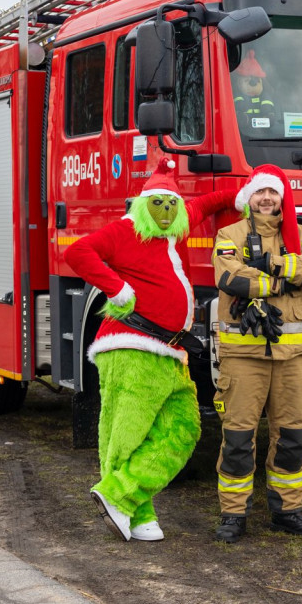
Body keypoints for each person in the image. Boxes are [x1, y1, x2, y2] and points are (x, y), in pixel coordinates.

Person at [64, 159, 236, 542]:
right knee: (125, 434)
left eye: (171, 205)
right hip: (132, 348)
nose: (164, 212)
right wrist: (116, 288)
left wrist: (243, 194)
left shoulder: (177, 224)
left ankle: (122, 499)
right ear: (144, 204)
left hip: (171, 353)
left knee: (186, 427)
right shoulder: (126, 230)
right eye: (157, 204)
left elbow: (206, 204)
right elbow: (78, 253)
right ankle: (132, 508)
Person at [211, 164, 302, 543]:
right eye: (260, 193)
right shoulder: (229, 234)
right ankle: (233, 514)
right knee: (239, 439)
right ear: (250, 198)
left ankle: (287, 510)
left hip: (292, 358)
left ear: (281, 198)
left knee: (292, 437)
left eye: (272, 193)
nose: (266, 199)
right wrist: (284, 280)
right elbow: (229, 277)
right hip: (243, 358)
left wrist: (273, 266)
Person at [232, 50, 275, 131]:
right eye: (246, 80)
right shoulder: (238, 96)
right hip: (243, 133)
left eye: (257, 80)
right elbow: (239, 106)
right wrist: (242, 116)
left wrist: (268, 113)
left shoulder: (265, 96)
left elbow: (267, 105)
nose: (253, 84)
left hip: (263, 132)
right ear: (238, 83)